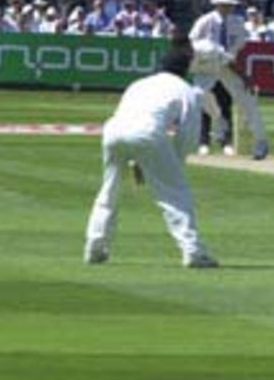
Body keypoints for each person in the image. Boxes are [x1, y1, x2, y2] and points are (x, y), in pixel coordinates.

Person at [83, 45, 218, 268]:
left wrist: (140, 160)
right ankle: (193, 251)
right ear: (186, 69)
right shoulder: (186, 91)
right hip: (147, 132)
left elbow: (128, 119)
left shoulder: (140, 84)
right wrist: (173, 165)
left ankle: (95, 246)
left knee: (109, 190)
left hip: (113, 131)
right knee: (175, 193)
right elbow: (187, 137)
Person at [188, 0, 270, 159]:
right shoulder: (205, 21)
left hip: (228, 66)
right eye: (223, 4)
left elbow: (233, 52)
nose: (226, 8)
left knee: (248, 103)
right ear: (217, 5)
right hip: (207, 66)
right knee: (197, 97)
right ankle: (217, 126)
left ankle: (261, 143)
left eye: (229, 5)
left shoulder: (238, 23)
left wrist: (242, 76)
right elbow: (192, 43)